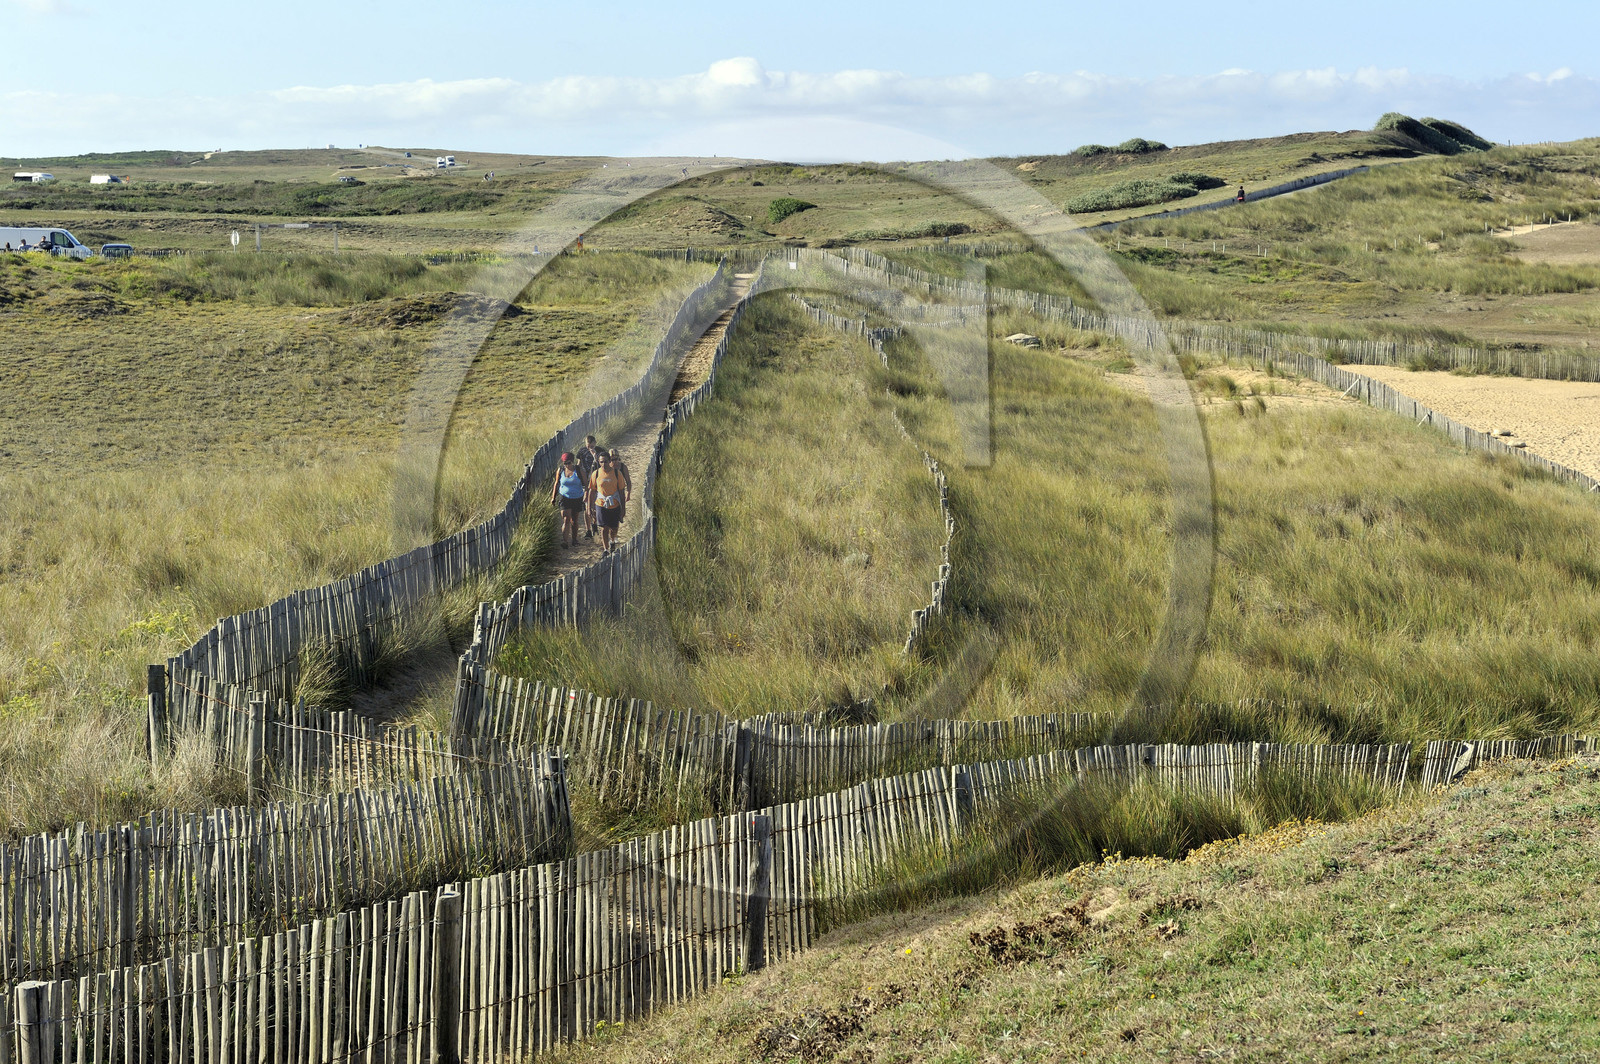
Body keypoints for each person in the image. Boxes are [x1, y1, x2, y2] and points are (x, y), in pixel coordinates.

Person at [588, 453, 627, 554]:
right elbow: (592, 491)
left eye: (605, 461)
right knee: (604, 527)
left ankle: (613, 540)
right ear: (598, 462)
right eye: (601, 462)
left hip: (614, 504)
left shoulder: (617, 474)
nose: (604, 464)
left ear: (610, 461)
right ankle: (606, 549)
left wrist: (623, 508)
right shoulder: (595, 474)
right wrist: (589, 507)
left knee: (614, 528)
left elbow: (622, 492)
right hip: (600, 504)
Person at [549, 454, 586, 548]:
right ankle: (565, 541)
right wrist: (553, 497)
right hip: (564, 497)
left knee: (574, 520)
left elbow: (586, 484)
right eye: (564, 463)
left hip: (577, 497)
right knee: (566, 519)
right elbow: (556, 483)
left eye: (568, 463)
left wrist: (586, 496)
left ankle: (574, 539)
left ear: (572, 461)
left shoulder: (579, 470)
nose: (566, 465)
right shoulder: (560, 470)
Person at [575, 435, 603, 538]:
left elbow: (602, 464)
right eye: (587, 445)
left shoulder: (600, 450)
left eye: (591, 445)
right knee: (586, 506)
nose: (589, 447)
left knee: (595, 505)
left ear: (595, 443)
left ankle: (594, 525)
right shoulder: (581, 451)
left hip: (597, 481)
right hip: (585, 481)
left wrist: (594, 454)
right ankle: (588, 530)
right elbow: (578, 465)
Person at [608, 448, 632, 524]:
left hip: (620, 492)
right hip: (609, 493)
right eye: (612, 459)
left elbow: (628, 481)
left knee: (620, 512)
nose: (614, 461)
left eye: (616, 459)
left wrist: (628, 493)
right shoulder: (607, 468)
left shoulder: (622, 467)